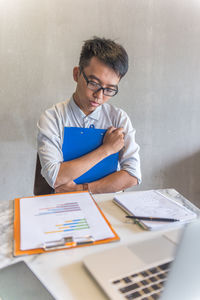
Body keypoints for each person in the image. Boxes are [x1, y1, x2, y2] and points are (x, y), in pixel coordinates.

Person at [37, 37, 141, 194]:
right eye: (93, 83)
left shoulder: (118, 118)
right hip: (63, 204)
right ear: (76, 74)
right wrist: (106, 149)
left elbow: (132, 175)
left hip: (107, 203)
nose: (99, 96)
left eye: (110, 89)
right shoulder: (53, 117)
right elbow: (56, 177)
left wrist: (82, 189)